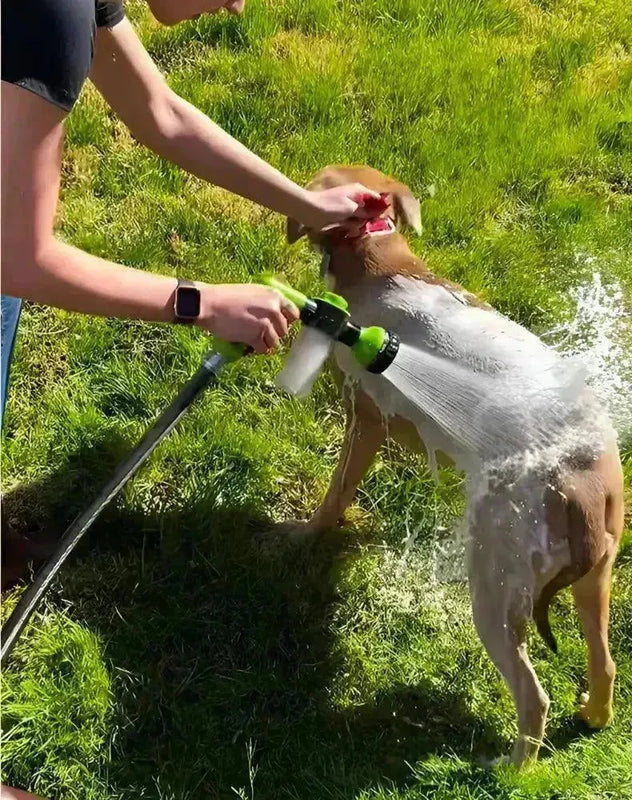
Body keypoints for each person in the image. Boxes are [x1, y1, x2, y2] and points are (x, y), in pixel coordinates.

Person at [0, 2, 375, 792]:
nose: (235, 7)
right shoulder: (42, 16)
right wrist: (201, 302)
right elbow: (18, 258)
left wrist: (309, 208)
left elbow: (160, 113)